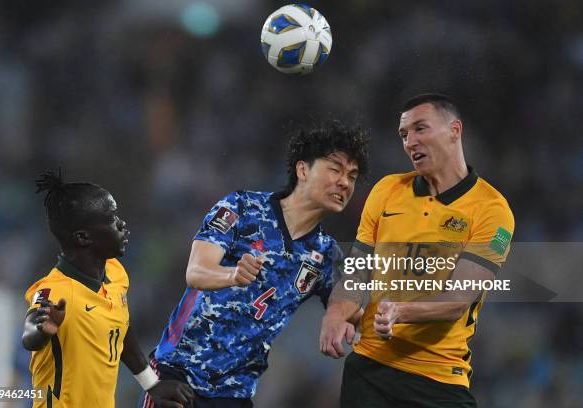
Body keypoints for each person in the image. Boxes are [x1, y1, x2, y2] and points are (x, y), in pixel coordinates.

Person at [139, 121, 369, 407]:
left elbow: (348, 305)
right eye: (335, 169)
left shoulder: (325, 254)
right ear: (302, 170)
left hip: (235, 395)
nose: (345, 182)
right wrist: (234, 274)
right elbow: (196, 272)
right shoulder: (242, 208)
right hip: (178, 375)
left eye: (352, 176)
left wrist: (378, 317)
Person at [320, 94, 515, 407]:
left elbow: (457, 300)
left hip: (438, 381)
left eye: (420, 129)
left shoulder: (493, 211)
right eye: (404, 134)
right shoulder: (386, 191)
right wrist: (335, 313)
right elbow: (356, 271)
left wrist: (401, 311)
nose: (410, 141)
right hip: (369, 370)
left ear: (455, 131)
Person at [22, 170, 194, 408]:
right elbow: (30, 334)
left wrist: (152, 384)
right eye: (111, 218)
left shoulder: (115, 273)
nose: (122, 223)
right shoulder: (55, 290)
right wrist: (44, 329)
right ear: (83, 237)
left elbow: (119, 329)